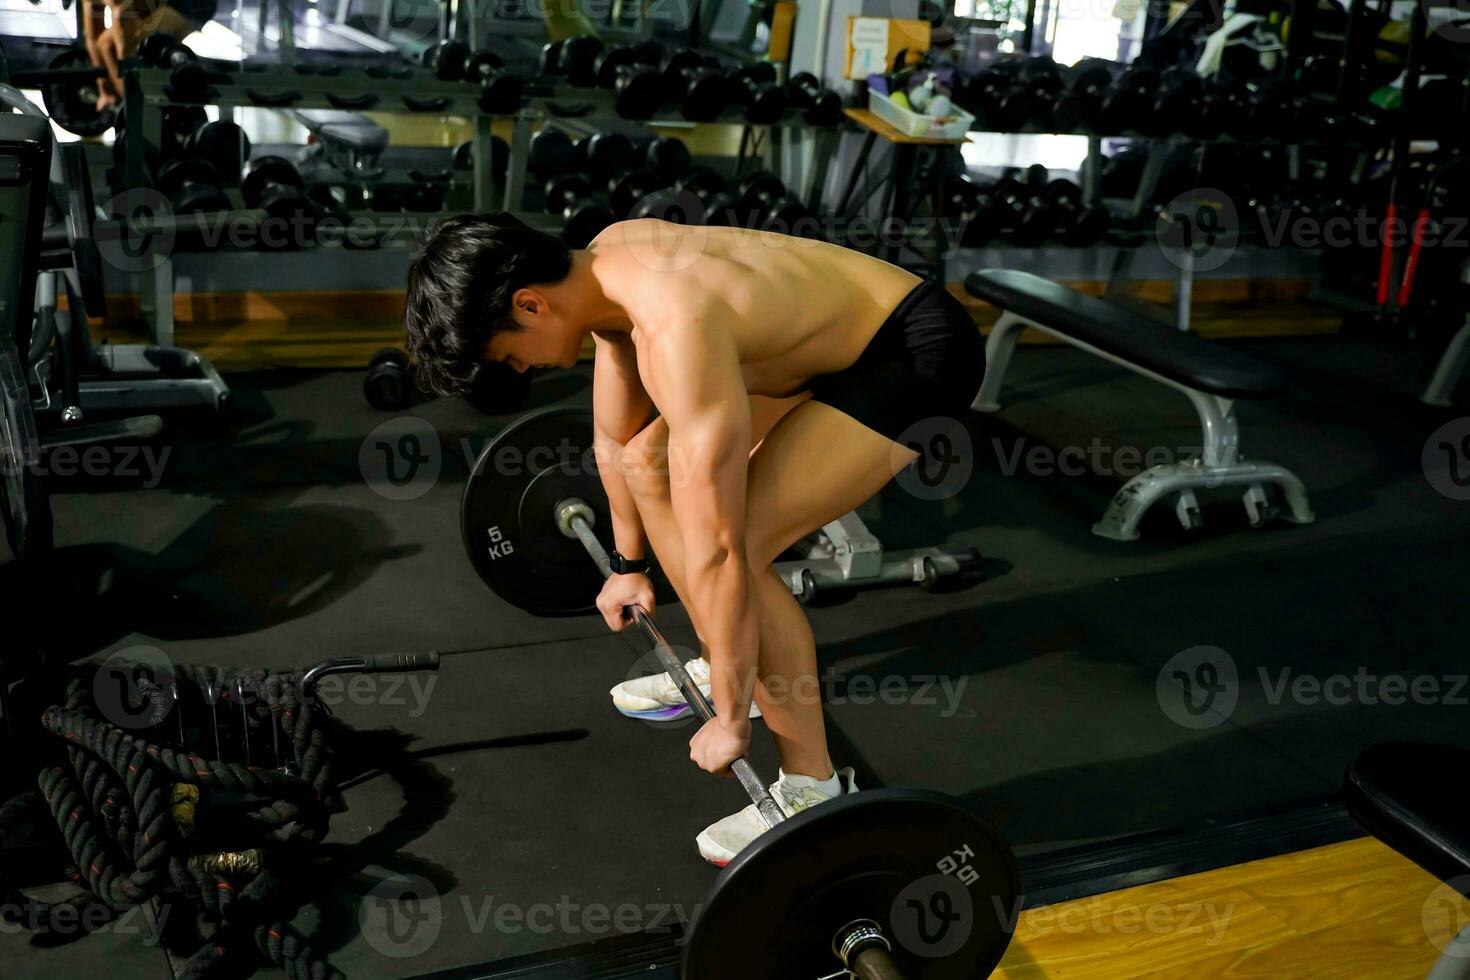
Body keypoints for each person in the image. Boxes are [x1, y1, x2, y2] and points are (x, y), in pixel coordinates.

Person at [404, 214, 984, 865]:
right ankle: (730, 652)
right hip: (828, 344)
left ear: (529, 303)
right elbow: (615, 442)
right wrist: (626, 565)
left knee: (750, 542)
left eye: (508, 353)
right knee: (649, 464)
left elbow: (722, 550)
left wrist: (730, 717)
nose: (518, 368)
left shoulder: (673, 325)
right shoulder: (605, 268)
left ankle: (811, 785)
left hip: (912, 349)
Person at [82, 0, 215, 110]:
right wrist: (104, 91)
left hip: (190, 7)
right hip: (152, 8)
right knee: (105, 44)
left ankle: (135, 107)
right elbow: (92, 39)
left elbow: (121, 16)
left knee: (121, 49)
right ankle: (130, 105)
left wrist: (127, 72)